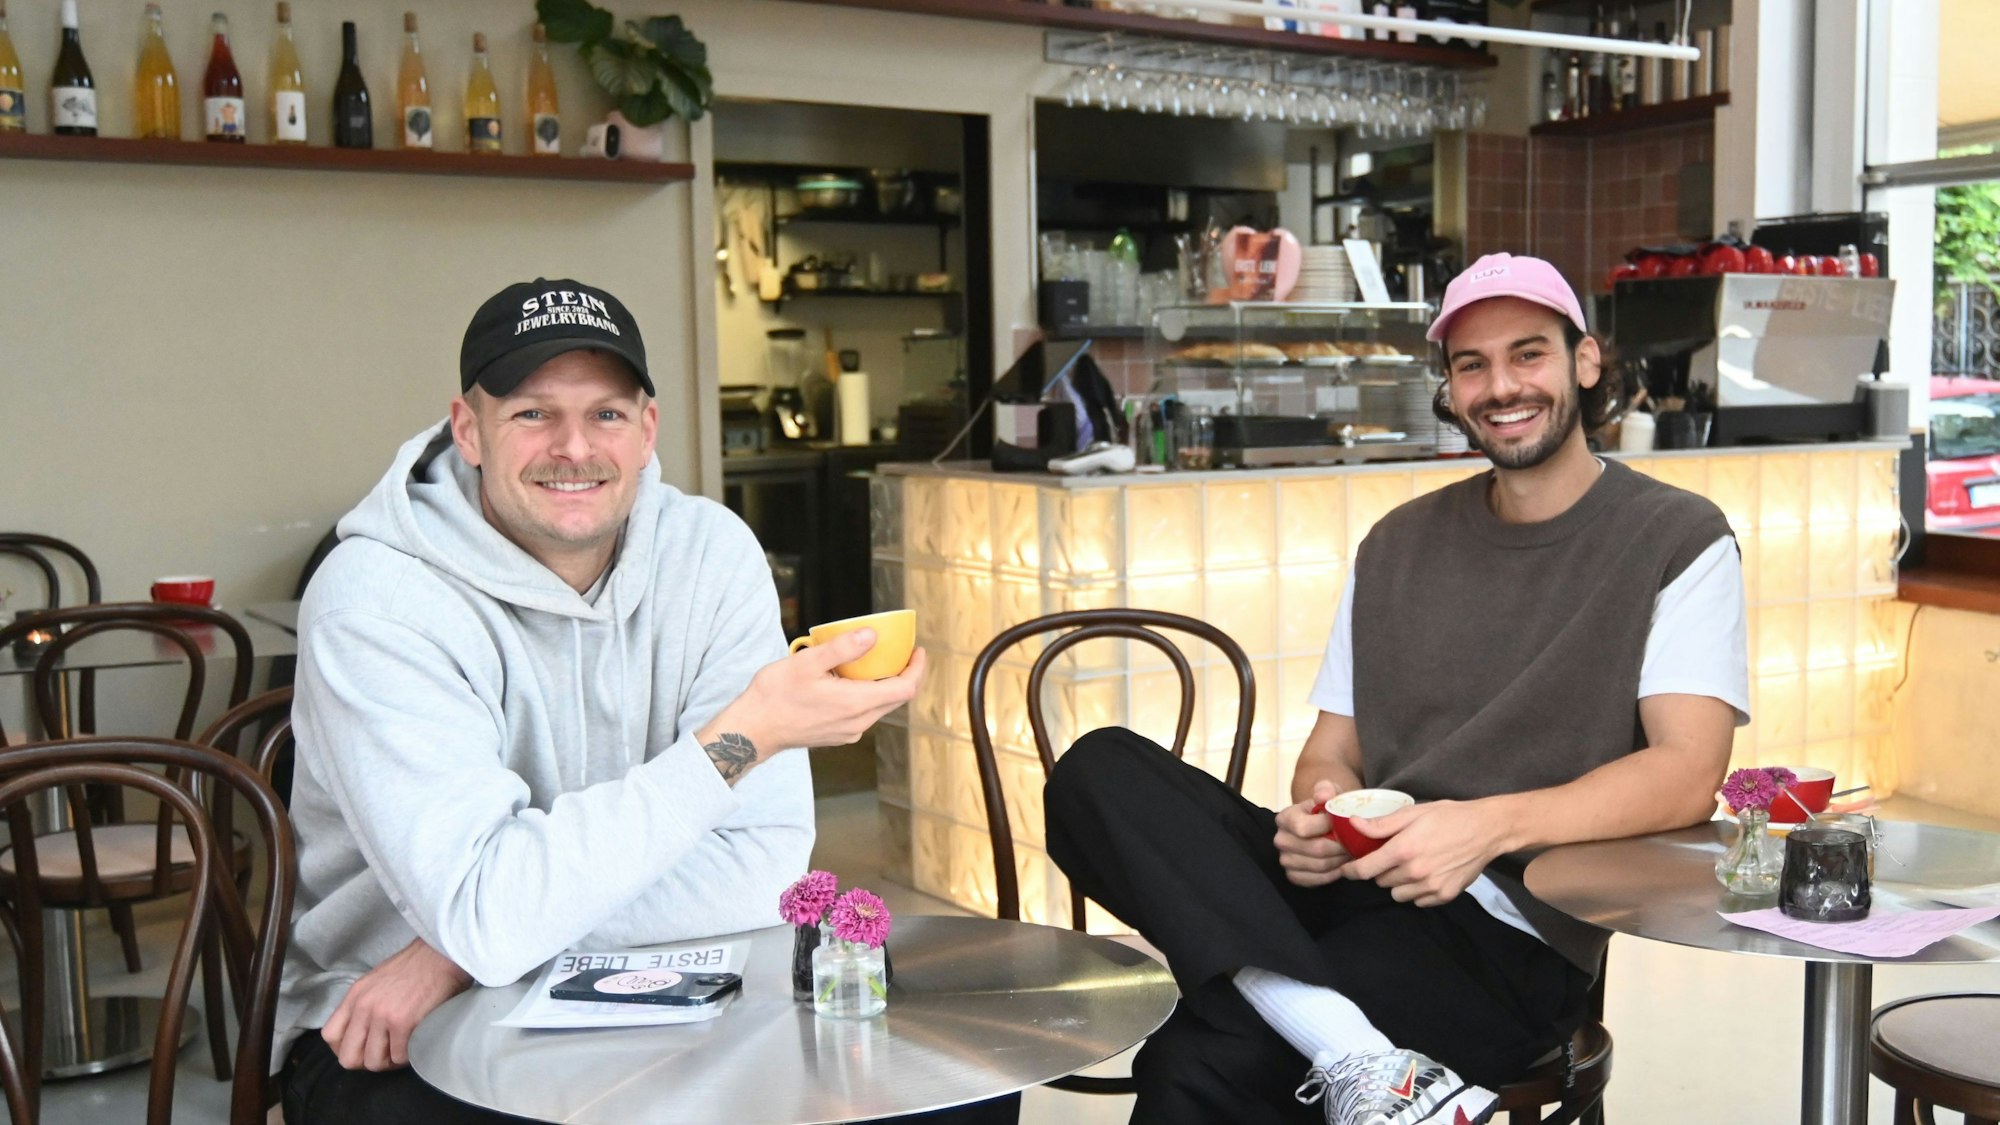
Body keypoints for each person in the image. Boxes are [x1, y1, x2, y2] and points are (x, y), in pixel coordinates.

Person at [1044, 253, 1747, 1125]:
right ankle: (1365, 1058)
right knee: (1096, 767)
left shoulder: (1677, 537)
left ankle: (1340, 1043)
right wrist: (1317, 818)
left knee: (1201, 1057)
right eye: (1471, 365)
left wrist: (1484, 825)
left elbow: (1688, 770)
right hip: (1358, 878)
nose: (1501, 386)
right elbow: (1331, 752)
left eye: (1528, 354)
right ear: (1449, 388)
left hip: (1507, 928)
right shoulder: (1397, 542)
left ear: (1586, 360)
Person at [276, 278, 924, 1124]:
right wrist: (740, 738)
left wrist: (458, 950)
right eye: (533, 413)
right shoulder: (376, 596)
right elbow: (488, 909)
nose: (573, 447)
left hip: (651, 985)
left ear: (647, 429)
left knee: (921, 1090)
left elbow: (761, 862)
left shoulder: (711, 554)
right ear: (468, 429)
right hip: (386, 1025)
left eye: (607, 414)